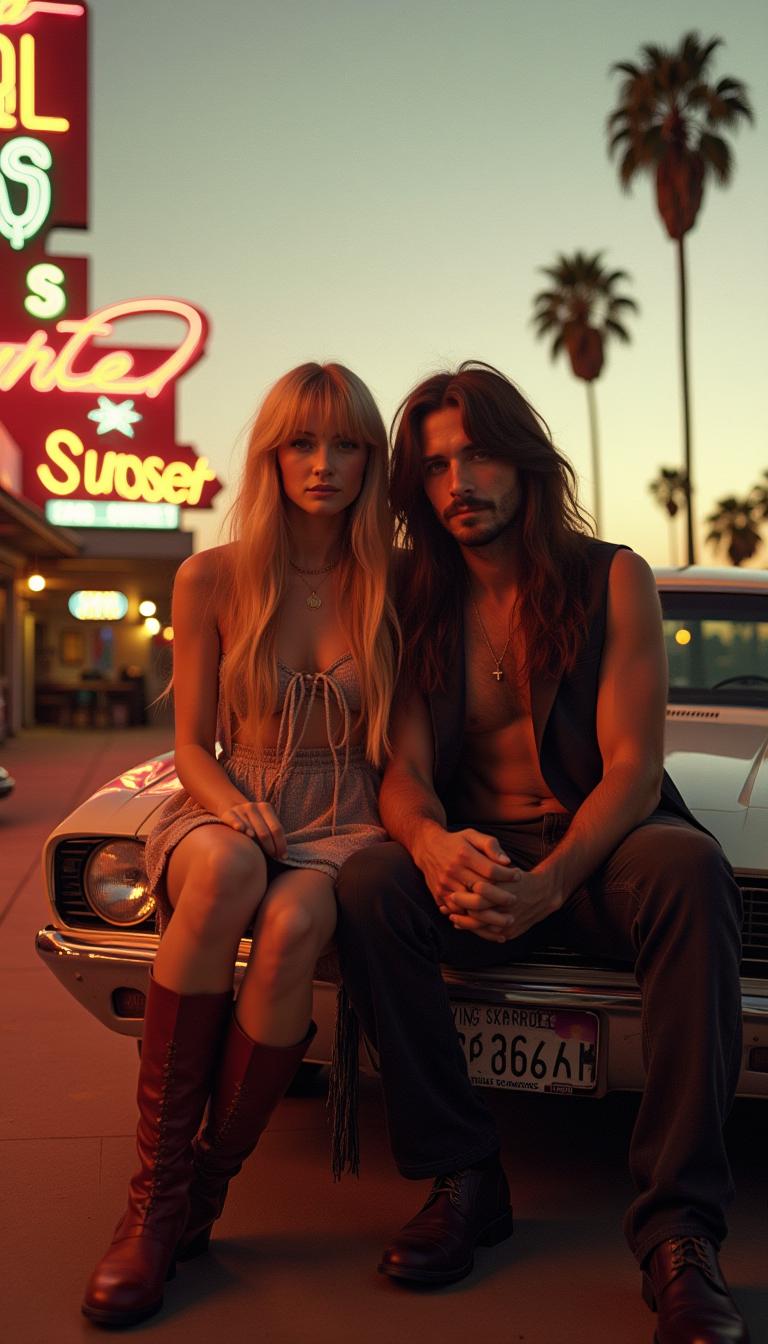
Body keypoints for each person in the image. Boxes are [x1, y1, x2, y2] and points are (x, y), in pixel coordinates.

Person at [335, 363, 747, 1344]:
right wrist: (431, 844)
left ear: (523, 457)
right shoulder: (413, 595)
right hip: (480, 856)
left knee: (691, 871)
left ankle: (680, 1235)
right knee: (370, 880)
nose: (455, 485)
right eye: (432, 467)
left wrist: (553, 882)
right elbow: (399, 771)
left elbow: (635, 770)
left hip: (598, 851)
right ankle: (465, 1177)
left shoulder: (611, 576)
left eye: (475, 456)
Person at [82, 362, 400, 1328]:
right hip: (231, 797)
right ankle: (150, 1204)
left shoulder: (393, 580)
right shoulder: (211, 576)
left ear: (370, 460)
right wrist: (232, 804)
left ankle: (203, 1191)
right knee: (225, 866)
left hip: (344, 818)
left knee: (300, 915)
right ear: (271, 455)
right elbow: (190, 746)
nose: (324, 464)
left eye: (347, 444)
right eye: (303, 442)